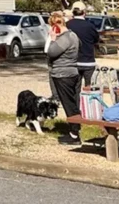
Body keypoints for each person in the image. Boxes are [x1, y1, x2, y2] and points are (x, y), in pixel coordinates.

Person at [46, 11, 82, 145]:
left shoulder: (64, 38)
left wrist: (53, 38)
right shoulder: (73, 35)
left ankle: (74, 134)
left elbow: (51, 52)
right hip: (72, 71)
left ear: (55, 25)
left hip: (62, 74)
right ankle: (75, 129)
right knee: (72, 102)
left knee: (68, 104)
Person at [65, 1, 98, 86]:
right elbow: (96, 39)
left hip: (73, 61)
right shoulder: (90, 26)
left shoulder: (67, 25)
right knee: (90, 88)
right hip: (88, 60)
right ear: (84, 12)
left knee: (75, 88)